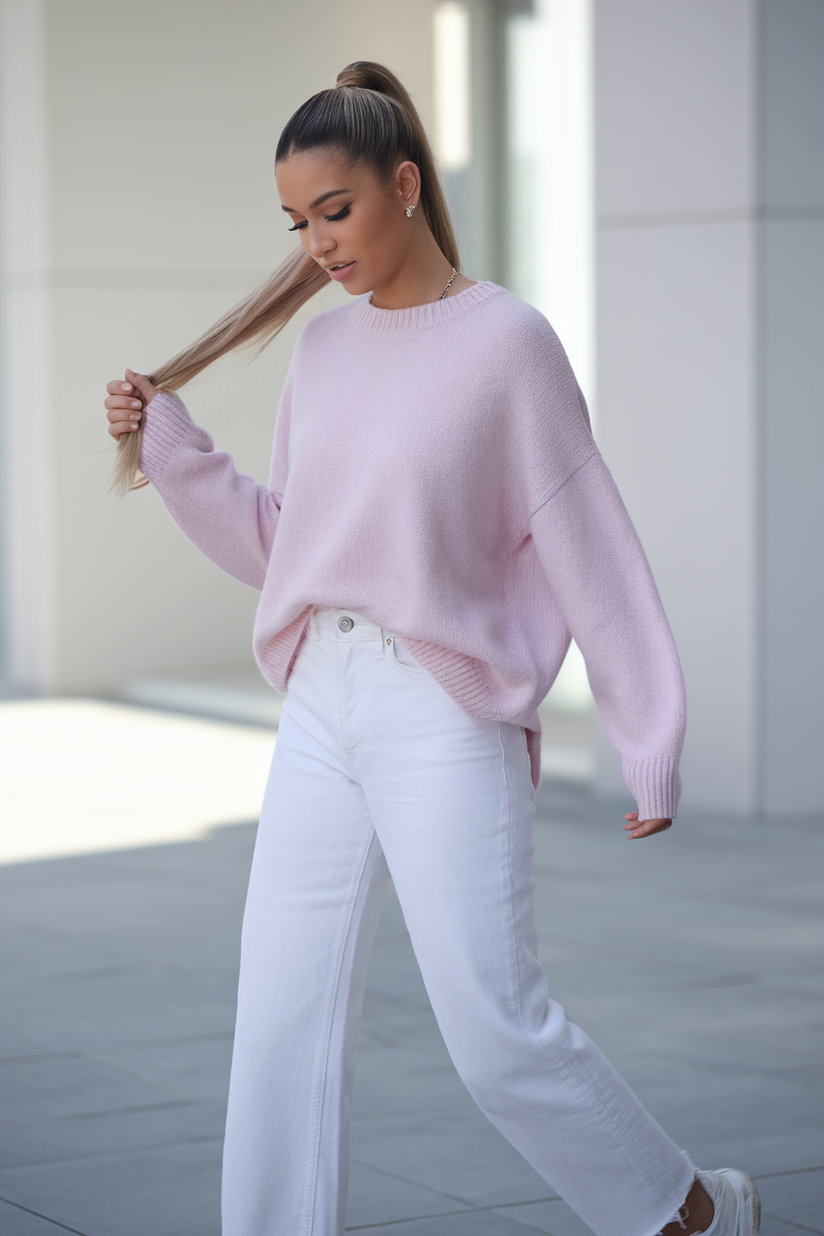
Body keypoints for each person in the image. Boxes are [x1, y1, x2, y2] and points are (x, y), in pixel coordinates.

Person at [104, 61, 759, 1236]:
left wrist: (643, 734)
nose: (315, 245)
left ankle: (691, 1215)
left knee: (493, 1027)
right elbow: (288, 545)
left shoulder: (508, 344)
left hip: (442, 710)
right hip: (321, 700)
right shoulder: (324, 353)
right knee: (278, 1019)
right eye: (297, 223)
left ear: (404, 185)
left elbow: (587, 544)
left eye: (334, 212)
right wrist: (173, 453)